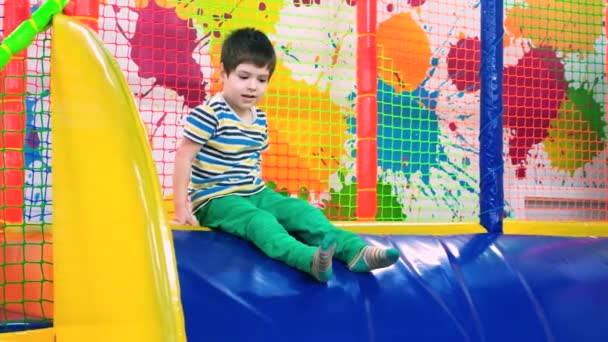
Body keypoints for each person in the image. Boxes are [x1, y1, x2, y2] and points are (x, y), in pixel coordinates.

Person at [172, 27, 399, 282]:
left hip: (254, 193)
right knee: (260, 221)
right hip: (216, 199)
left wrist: (265, 197)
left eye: (261, 79)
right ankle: (307, 259)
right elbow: (184, 157)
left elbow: (251, 162)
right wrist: (182, 207)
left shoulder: (260, 119)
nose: (252, 86)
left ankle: (355, 251)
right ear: (224, 72)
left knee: (302, 211)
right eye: (244, 76)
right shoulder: (210, 113)